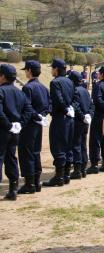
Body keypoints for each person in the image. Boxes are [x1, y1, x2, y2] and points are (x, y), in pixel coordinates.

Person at [43, 59, 79, 187]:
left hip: (60, 118)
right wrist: (71, 108)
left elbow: (58, 99)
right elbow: (76, 97)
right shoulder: (70, 81)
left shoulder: (55, 82)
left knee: (58, 147)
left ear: (57, 69)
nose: (51, 70)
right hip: (70, 118)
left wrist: (65, 109)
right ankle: (66, 175)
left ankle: (59, 177)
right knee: (68, 146)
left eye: (52, 68)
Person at [18, 60, 51, 194]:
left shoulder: (28, 88)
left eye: (26, 70)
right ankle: (36, 182)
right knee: (36, 152)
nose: (25, 72)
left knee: (27, 153)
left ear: (30, 71)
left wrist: (36, 116)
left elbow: (27, 107)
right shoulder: (44, 87)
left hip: (30, 124)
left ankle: (29, 183)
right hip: (39, 124)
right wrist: (42, 116)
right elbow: (49, 104)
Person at [0, 64, 32, 200]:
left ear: (2, 76)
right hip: (15, 131)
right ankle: (13, 188)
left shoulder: (1, 91)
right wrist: (20, 124)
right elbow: (28, 110)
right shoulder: (20, 92)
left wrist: (8, 125)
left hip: (2, 129)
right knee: (11, 158)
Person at [68, 71, 93, 179]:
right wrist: (89, 115)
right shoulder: (85, 91)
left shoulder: (74, 90)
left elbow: (75, 105)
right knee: (83, 144)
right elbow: (92, 105)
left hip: (78, 120)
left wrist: (82, 116)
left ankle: (77, 170)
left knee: (76, 144)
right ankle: (83, 168)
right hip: (86, 121)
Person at [87, 66, 104, 174]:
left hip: (99, 115)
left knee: (95, 139)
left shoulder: (99, 85)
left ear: (101, 74)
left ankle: (94, 164)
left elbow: (97, 99)